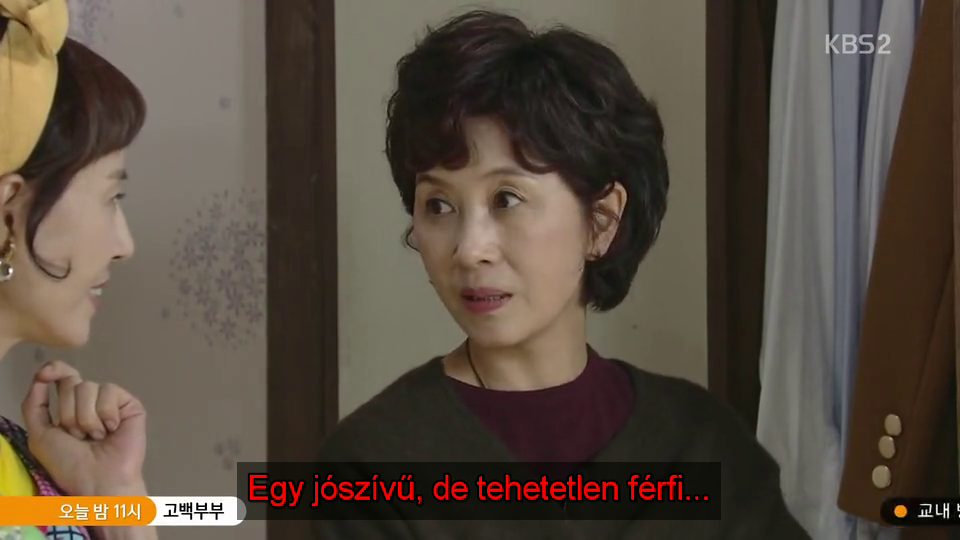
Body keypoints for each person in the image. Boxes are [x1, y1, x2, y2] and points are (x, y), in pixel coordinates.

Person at [315, 9, 809, 540]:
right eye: (438, 205)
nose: (469, 250)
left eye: (506, 198)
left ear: (601, 222)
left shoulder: (702, 445)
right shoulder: (372, 464)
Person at [0, 1, 156, 539]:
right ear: (7, 213)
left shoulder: (25, 455)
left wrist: (115, 498)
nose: (124, 246)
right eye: (112, 197)